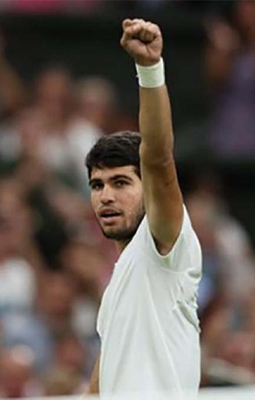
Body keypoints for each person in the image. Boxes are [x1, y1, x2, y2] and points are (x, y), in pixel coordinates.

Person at [82, 19, 202, 399]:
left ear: (147, 188)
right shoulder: (123, 281)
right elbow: (102, 382)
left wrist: (149, 70)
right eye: (97, 185)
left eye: (121, 183)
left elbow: (159, 159)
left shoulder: (166, 243)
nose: (105, 197)